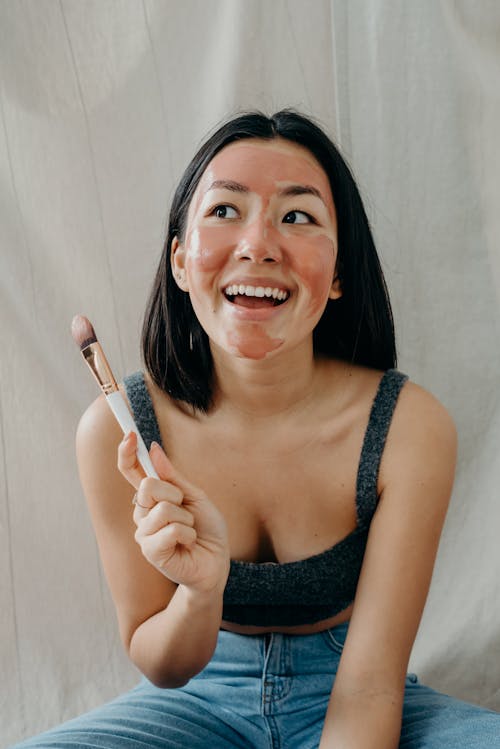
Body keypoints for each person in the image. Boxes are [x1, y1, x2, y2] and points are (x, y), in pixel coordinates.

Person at [12, 110, 500, 748]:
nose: (259, 245)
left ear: (340, 275)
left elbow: (372, 685)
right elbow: (161, 662)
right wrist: (199, 588)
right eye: (224, 211)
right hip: (192, 705)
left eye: (297, 217)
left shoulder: (408, 426)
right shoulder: (119, 431)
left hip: (356, 690)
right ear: (182, 263)